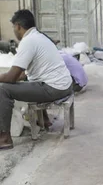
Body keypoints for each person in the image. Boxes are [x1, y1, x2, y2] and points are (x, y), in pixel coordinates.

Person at [0, 10, 73, 150]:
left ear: (18, 26)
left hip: (54, 88)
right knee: (27, 81)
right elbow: (22, 75)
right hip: (64, 85)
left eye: (14, 28)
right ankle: (44, 120)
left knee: (3, 89)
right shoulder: (40, 36)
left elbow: (11, 77)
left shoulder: (28, 41)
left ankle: (4, 138)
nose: (14, 31)